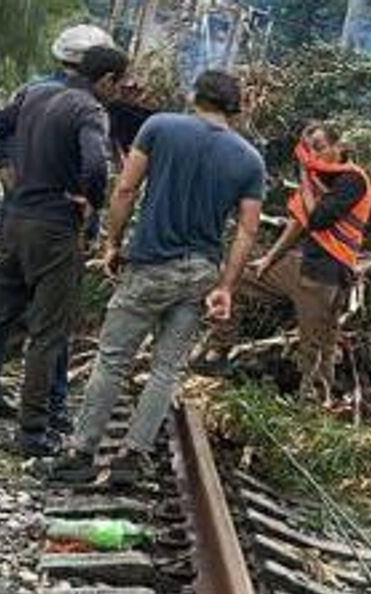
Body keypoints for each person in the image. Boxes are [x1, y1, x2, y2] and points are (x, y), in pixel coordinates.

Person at [49, 70, 266, 486]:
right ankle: (133, 455)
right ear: (235, 110)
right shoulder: (250, 159)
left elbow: (126, 189)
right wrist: (226, 287)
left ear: (195, 96)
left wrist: (113, 243)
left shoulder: (159, 127)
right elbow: (247, 230)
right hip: (200, 272)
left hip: (150, 263)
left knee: (113, 359)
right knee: (167, 369)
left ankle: (81, 452)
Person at [0, 46, 130, 456]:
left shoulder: (35, 94)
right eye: (119, 84)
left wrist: (9, 176)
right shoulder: (91, 111)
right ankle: (32, 431)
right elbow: (96, 166)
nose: (119, 92)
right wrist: (91, 201)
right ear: (106, 79)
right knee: (48, 332)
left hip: (15, 220)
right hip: (56, 230)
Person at [205, 123, 371, 403]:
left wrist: (305, 174)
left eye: (319, 149)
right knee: (234, 278)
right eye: (308, 150)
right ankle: (219, 348)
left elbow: (317, 219)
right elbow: (299, 222)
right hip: (301, 264)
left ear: (338, 146)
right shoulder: (320, 177)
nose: (313, 156)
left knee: (317, 345)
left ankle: (314, 405)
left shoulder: (353, 180)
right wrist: (270, 258)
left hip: (325, 275)